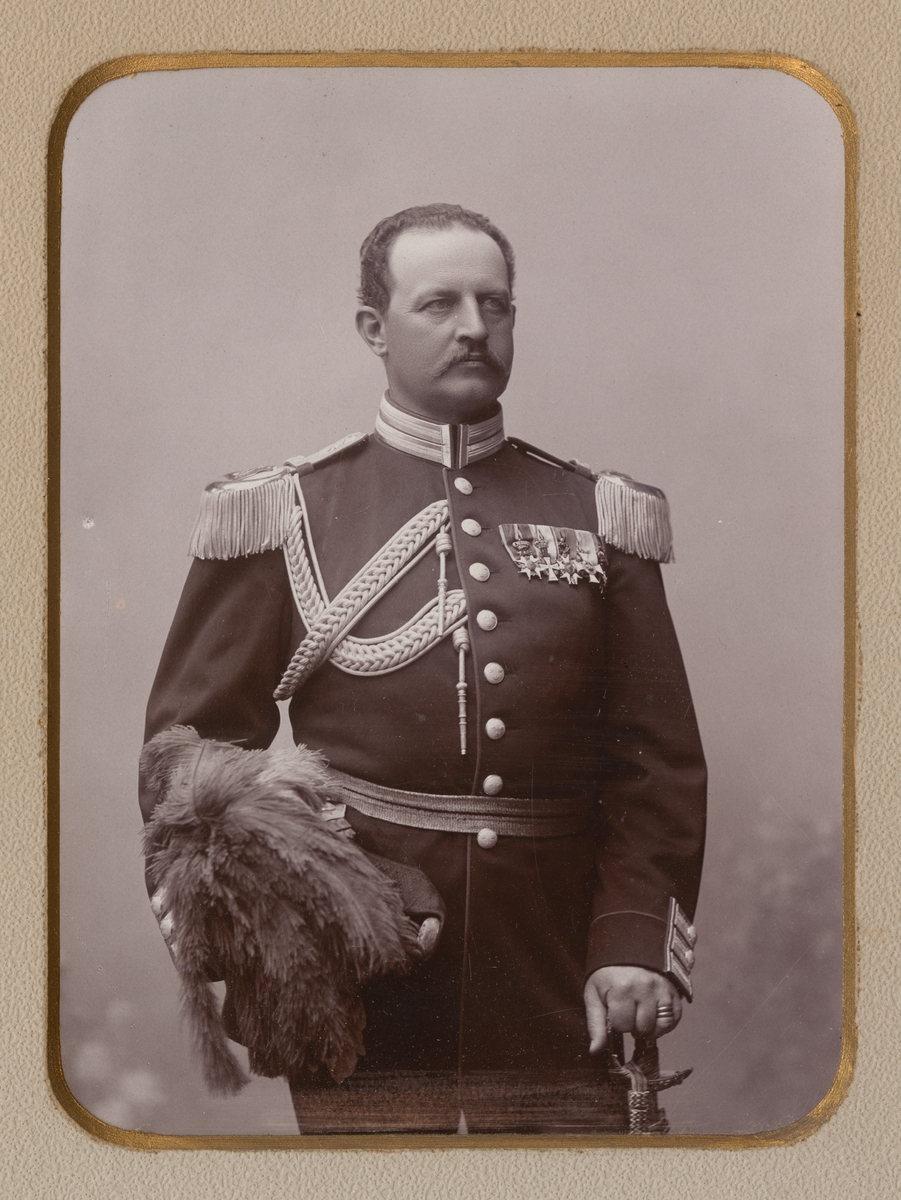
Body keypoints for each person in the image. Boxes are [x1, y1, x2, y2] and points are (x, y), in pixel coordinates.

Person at [140, 203, 706, 1134]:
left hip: (565, 985)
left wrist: (634, 941)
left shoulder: (598, 514)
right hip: (365, 988)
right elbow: (187, 765)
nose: (474, 327)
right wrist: (322, 905)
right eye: (439, 304)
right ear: (374, 328)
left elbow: (656, 767)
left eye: (495, 304)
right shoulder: (283, 513)